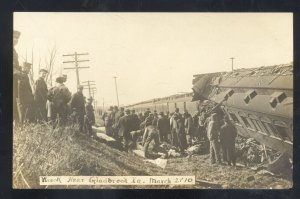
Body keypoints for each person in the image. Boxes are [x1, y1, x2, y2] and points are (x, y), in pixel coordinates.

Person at [13, 30, 24, 124]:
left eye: (17, 38)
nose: (16, 40)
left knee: (15, 100)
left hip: (15, 79)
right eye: (14, 37)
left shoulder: (14, 50)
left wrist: (19, 70)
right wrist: (17, 71)